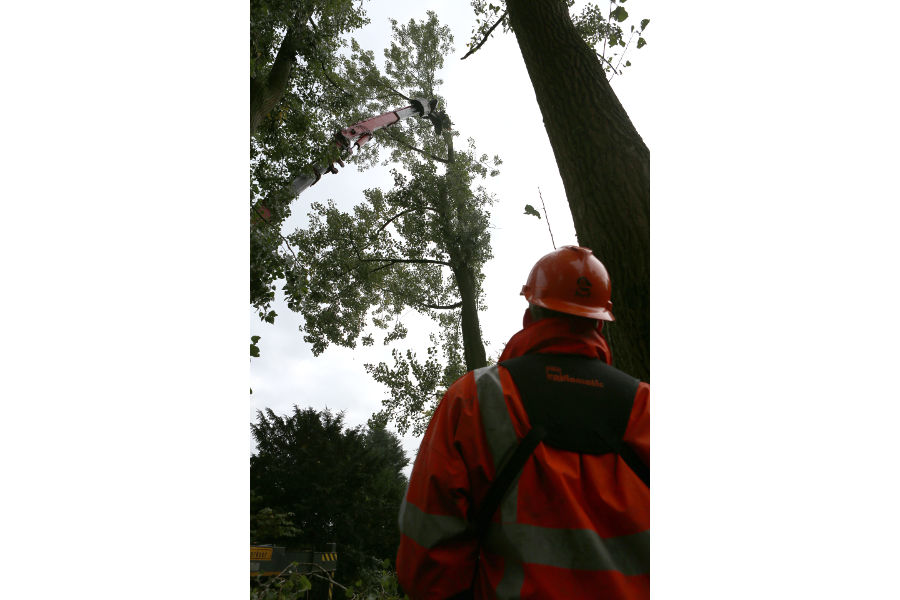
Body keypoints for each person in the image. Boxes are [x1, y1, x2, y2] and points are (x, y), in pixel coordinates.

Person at [396, 246, 650, 600]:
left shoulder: (473, 398)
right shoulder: (647, 408)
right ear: (599, 324)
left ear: (529, 317)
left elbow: (428, 556)